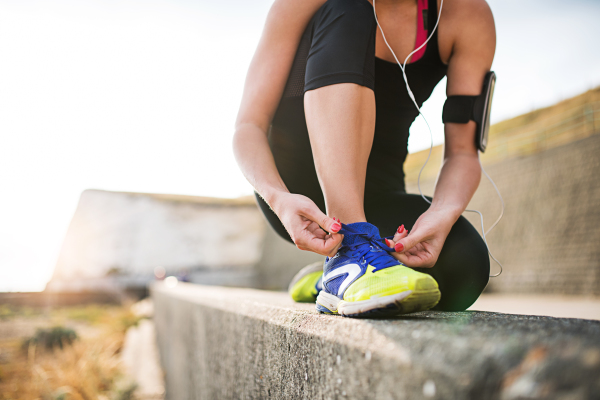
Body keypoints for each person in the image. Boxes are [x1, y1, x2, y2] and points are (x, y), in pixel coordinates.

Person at [233, 0, 496, 316]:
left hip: (380, 197)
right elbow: (248, 127)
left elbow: (463, 153)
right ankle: (349, 254)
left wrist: (443, 212)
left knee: (464, 268)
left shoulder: (464, 15)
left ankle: (332, 275)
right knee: (350, 7)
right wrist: (278, 198)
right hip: (296, 192)